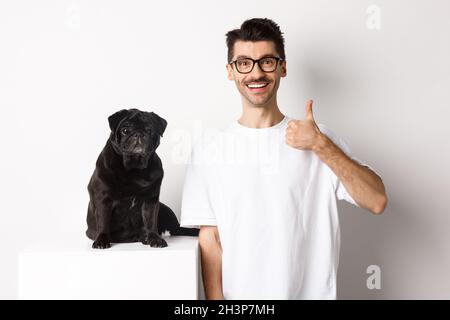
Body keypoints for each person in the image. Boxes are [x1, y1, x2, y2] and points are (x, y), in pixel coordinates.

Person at [180, 18, 387, 300]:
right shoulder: (209, 148)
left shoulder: (318, 138)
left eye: (267, 61)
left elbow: (376, 200)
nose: (255, 73)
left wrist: (321, 145)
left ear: (282, 67)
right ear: (230, 71)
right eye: (244, 63)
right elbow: (211, 240)